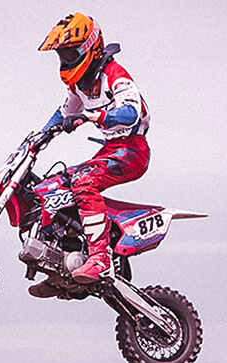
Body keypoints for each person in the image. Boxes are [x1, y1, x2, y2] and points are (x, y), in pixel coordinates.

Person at [30, 12, 151, 297]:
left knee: (84, 182)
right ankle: (60, 264)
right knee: (58, 185)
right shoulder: (80, 83)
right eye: (62, 56)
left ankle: (100, 258)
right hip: (111, 148)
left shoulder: (114, 74)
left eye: (70, 54)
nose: (65, 61)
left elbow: (131, 112)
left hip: (132, 149)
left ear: (90, 47)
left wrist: (93, 116)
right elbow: (64, 113)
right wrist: (38, 137)